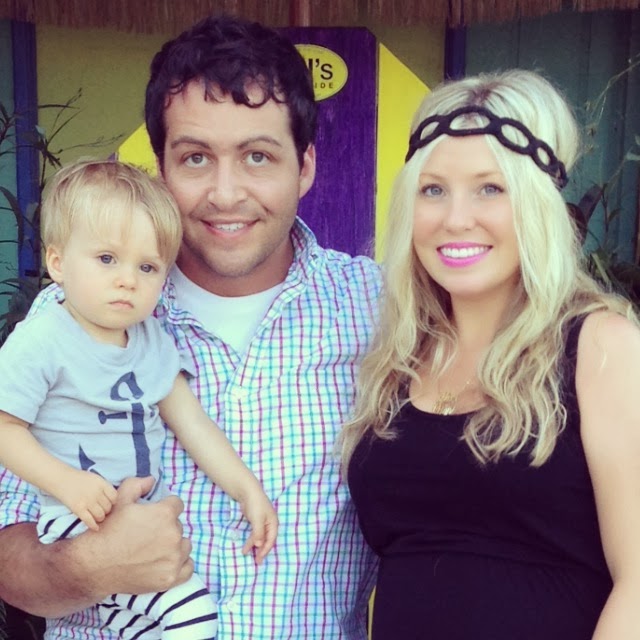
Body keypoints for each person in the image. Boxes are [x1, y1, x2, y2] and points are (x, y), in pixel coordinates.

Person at [0, 14, 380, 640]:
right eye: (196, 157)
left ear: (305, 166)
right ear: (160, 169)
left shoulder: (377, 309)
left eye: (258, 156)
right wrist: (89, 565)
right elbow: (9, 552)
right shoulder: (71, 317)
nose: (225, 194)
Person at [343, 69, 640, 639]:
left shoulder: (599, 346)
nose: (456, 218)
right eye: (434, 190)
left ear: (537, 205)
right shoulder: (398, 362)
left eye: (490, 188)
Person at [0, 159, 278, 639]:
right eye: (107, 259)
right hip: (76, 520)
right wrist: (69, 484)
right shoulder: (42, 339)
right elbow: (5, 427)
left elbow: (192, 423)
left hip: (140, 525)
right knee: (193, 616)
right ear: (58, 262)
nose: (128, 279)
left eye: (147, 267)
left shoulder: (151, 341)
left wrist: (246, 489)